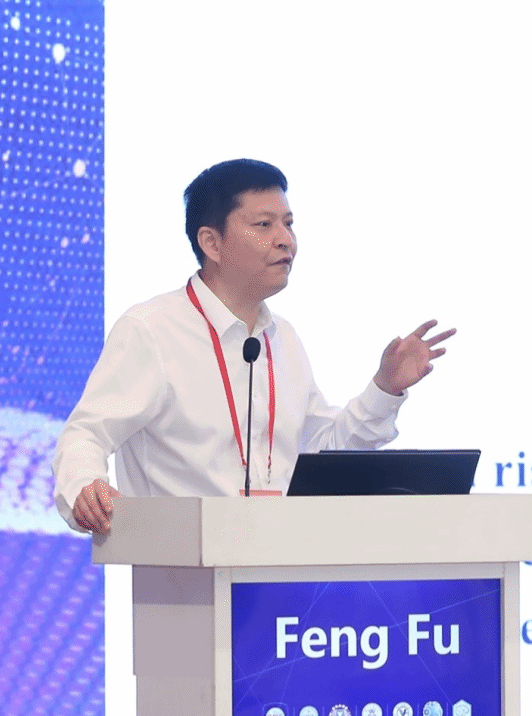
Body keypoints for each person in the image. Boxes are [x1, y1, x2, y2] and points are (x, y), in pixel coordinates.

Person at [52, 158, 454, 533]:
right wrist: (86, 488)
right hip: (180, 572)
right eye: (264, 225)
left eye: (289, 224)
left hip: (278, 565)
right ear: (212, 243)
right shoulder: (152, 330)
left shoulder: (284, 338)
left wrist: (384, 389)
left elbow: (325, 452)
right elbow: (85, 434)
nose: (285, 240)